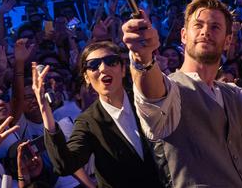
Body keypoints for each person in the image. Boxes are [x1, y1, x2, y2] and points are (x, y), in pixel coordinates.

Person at [121, 0, 242, 187]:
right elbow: (153, 93)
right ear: (183, 35)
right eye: (198, 25)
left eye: (215, 27)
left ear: (228, 41)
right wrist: (142, 57)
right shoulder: (171, 92)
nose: (205, 31)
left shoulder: (232, 96)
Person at [38, 41, 163, 187]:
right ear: (86, 77)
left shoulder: (146, 100)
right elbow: (65, 165)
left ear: (123, 69)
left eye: (111, 61)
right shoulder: (88, 122)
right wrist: (44, 109)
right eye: (93, 64)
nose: (103, 68)